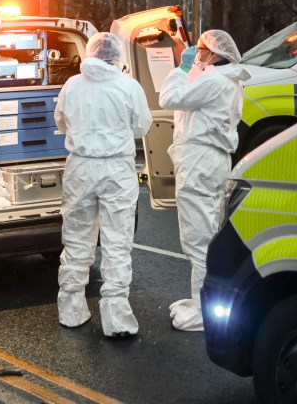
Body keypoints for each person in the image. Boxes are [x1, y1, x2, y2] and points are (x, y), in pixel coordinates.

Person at [54, 32, 152, 338]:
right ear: (117, 56)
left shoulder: (72, 84)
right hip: (116, 169)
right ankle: (117, 319)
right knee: (116, 243)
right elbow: (142, 125)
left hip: (81, 166)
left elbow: (60, 122)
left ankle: (71, 310)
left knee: (77, 240)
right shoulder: (128, 87)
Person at [159, 29, 250, 331]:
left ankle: (203, 311)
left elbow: (169, 97)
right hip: (211, 160)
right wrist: (194, 68)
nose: (196, 54)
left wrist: (182, 69)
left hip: (200, 162)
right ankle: (204, 299)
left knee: (198, 238)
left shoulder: (214, 81)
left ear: (213, 53)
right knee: (209, 233)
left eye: (199, 49)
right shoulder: (225, 79)